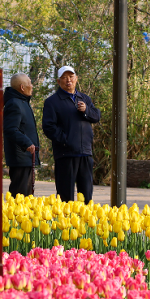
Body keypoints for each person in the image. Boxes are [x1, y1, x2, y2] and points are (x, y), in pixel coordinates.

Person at [42, 65, 101, 203]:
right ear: (58, 81)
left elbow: (96, 116)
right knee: (65, 195)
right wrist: (66, 140)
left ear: (76, 79)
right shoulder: (52, 102)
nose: (68, 80)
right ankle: (65, 217)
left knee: (86, 195)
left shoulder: (84, 98)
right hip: (66, 154)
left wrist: (86, 110)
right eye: (64, 77)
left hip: (85, 153)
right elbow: (48, 127)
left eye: (71, 77)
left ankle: (84, 217)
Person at [3, 73, 41, 197]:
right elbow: (10, 129)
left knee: (26, 196)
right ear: (22, 87)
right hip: (21, 157)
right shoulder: (14, 103)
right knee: (20, 195)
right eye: (29, 83)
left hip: (26, 157)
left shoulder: (23, 102)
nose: (32, 86)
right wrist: (27, 143)